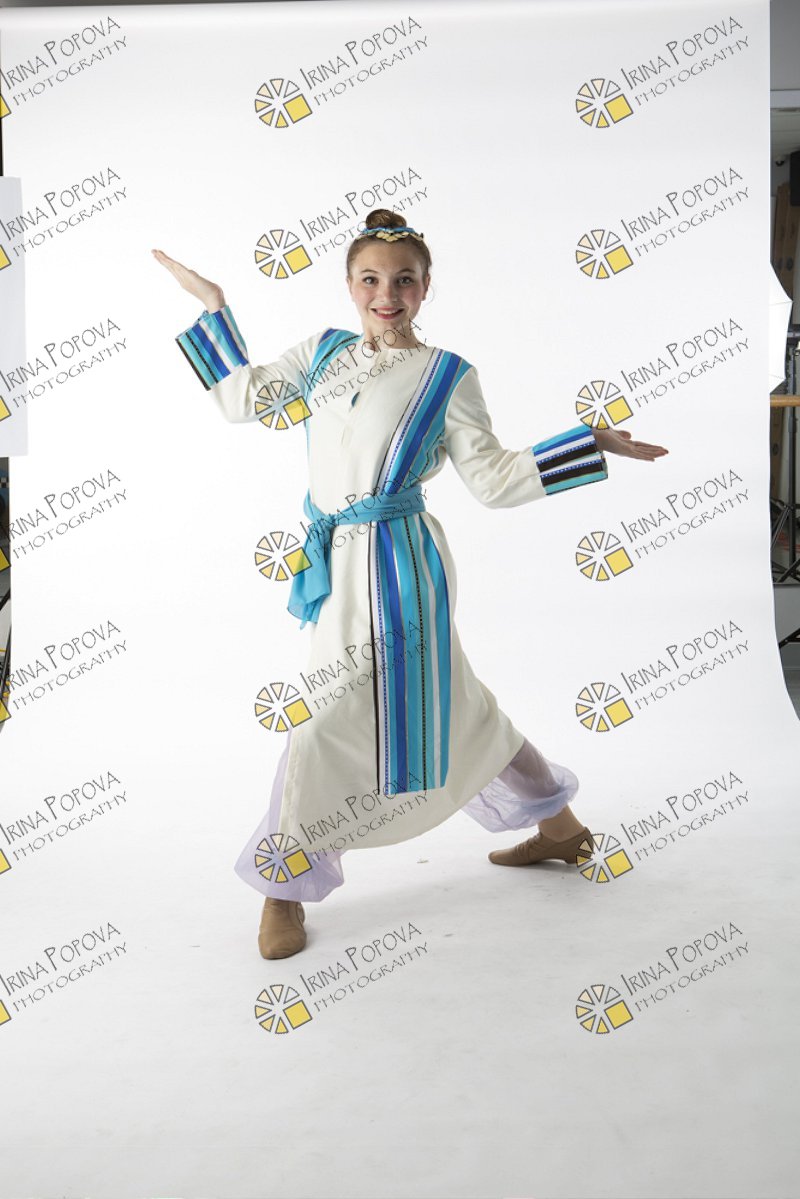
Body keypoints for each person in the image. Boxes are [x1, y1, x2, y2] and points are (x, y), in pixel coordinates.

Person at [152, 209, 667, 961]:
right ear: (349, 285)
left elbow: (492, 479)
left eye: (404, 280)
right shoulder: (321, 354)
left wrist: (588, 441)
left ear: (426, 288)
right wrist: (213, 306)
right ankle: (562, 830)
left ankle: (282, 884)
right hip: (336, 562)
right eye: (370, 279)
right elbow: (244, 402)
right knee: (435, 705)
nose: (386, 295)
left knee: (341, 714)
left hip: (402, 565)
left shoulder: (448, 376)